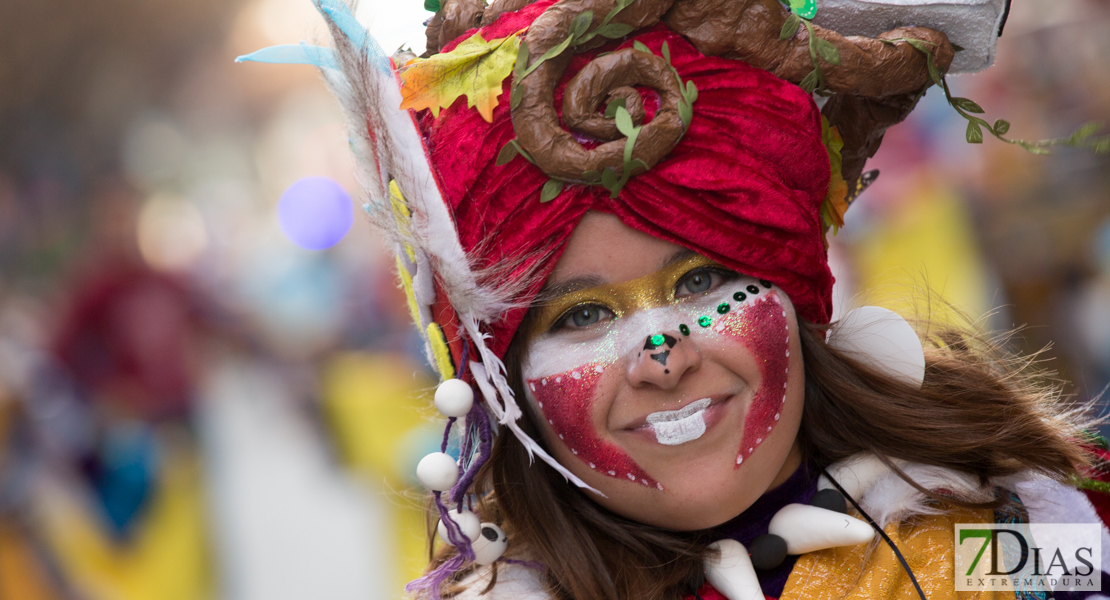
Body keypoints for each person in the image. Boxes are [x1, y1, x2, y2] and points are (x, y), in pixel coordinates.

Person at [240, 0, 1110, 598]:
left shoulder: (1012, 535)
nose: (664, 355)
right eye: (581, 316)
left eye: (704, 281)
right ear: (505, 391)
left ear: (794, 296)